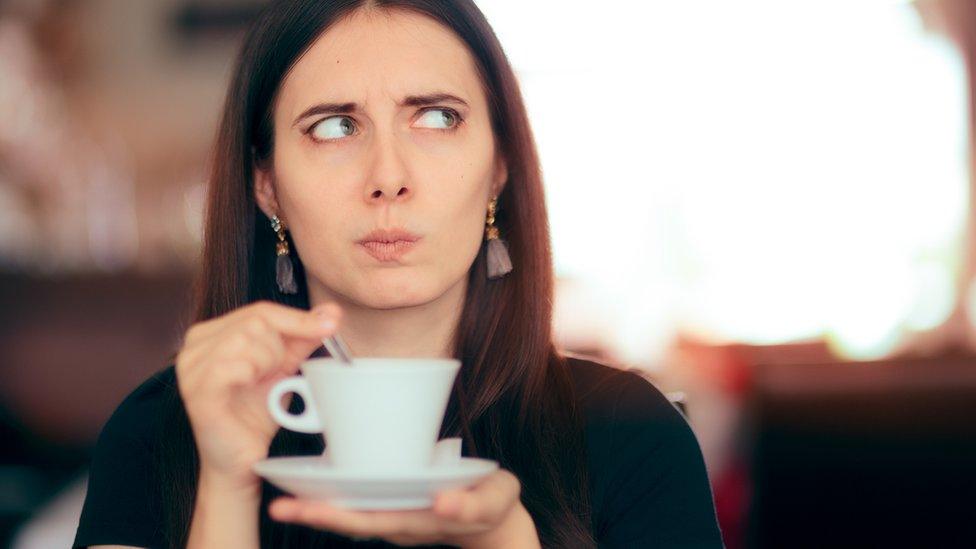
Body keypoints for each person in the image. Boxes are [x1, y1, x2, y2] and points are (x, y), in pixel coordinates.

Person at [72, 1, 724, 547]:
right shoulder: (156, 435)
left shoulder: (632, 436)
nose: (388, 177)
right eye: (334, 126)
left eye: (437, 117)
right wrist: (227, 484)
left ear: (499, 164)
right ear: (267, 186)